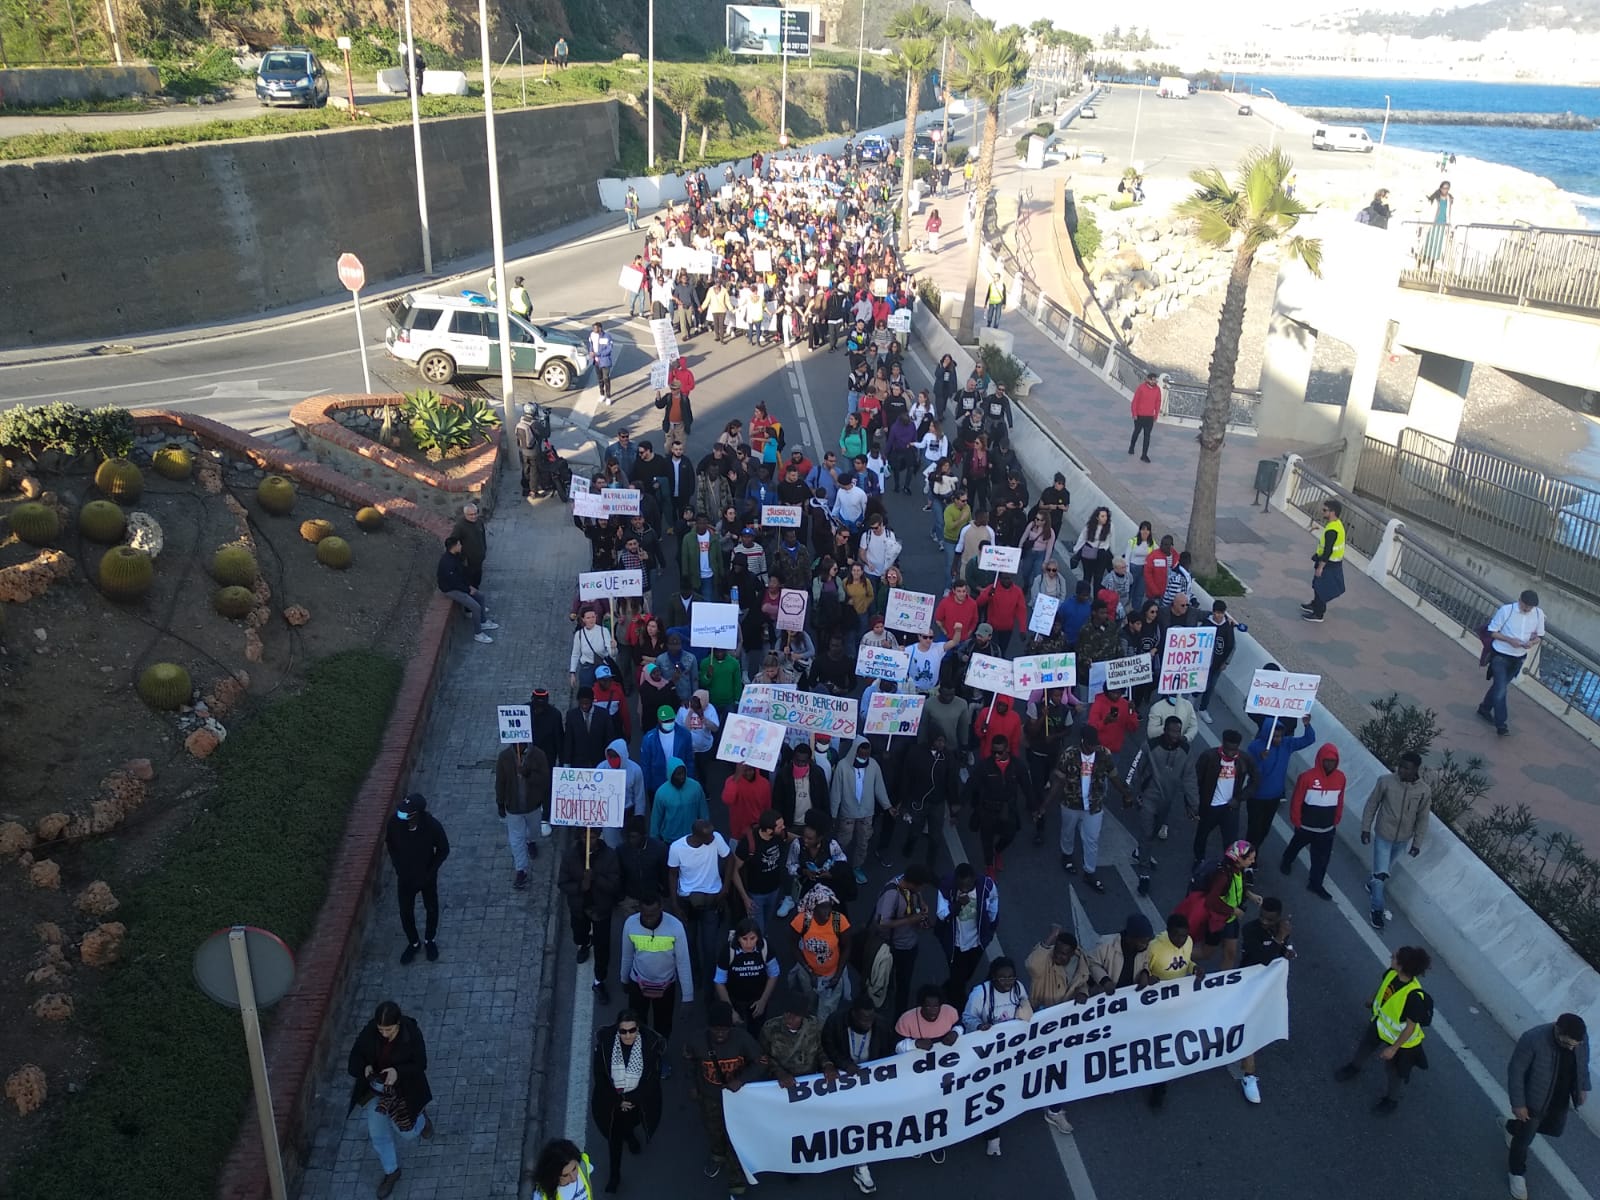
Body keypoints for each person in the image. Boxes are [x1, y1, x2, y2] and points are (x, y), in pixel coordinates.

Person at [348, 999, 434, 1197]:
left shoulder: (410, 1033)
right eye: (381, 1029)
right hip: (376, 1091)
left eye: (389, 1030)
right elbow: (354, 1057)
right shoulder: (370, 1032)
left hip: (403, 1090)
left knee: (408, 1132)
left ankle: (421, 1119)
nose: (384, 1034)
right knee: (377, 1132)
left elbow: (420, 1063)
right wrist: (364, 1067)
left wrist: (398, 1071)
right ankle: (391, 1170)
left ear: (398, 1024)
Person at [1335, 945, 1434, 1114]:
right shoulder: (1391, 973)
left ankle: (1391, 1101)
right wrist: (1373, 999)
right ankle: (1354, 1067)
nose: (1391, 957)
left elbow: (1410, 1028)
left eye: (1394, 957)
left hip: (1402, 1042)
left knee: (1394, 1072)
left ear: (1402, 966)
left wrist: (1393, 1049)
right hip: (1380, 1026)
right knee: (1365, 1046)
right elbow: (1383, 988)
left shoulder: (1414, 998)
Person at [1506, 1014, 1590, 1200]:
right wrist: (1518, 1104)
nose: (1571, 1048)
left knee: (1555, 1130)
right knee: (1524, 1139)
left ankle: (1512, 1127)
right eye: (1567, 1044)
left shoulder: (1580, 1040)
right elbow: (1516, 1071)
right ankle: (1516, 1173)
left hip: (1559, 1099)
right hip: (1534, 1100)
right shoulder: (1533, 1039)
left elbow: (1583, 1063)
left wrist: (1583, 1086)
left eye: (1574, 1045)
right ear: (1557, 1030)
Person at [1025, 925, 1094, 1132]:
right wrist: (1050, 938)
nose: (1059, 957)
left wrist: (1084, 992)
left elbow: (1083, 982)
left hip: (1065, 1027)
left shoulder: (1080, 963)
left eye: (1065, 954)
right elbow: (1031, 964)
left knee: (1061, 1068)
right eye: (1057, 951)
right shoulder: (1044, 963)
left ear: (1073, 954)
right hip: (1040, 1022)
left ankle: (1054, 1110)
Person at [961, 957, 1033, 1154]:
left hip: (1009, 1052)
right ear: (993, 978)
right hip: (984, 1053)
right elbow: (967, 1017)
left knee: (1000, 1090)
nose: (1008, 982)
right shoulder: (980, 993)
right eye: (1002, 978)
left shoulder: (1018, 988)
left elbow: (1024, 1007)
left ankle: (992, 1130)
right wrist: (979, 1026)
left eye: (1011, 977)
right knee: (987, 1091)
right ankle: (992, 1136)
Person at [1047, 726, 1130, 893]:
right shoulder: (1069, 754)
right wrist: (1045, 805)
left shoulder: (1104, 754)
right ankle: (1067, 855)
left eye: (1095, 744)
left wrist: (1126, 793)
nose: (1093, 747)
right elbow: (1059, 781)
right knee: (1068, 832)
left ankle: (1089, 871)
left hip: (1094, 805)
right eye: (1090, 744)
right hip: (1071, 803)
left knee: (1092, 839)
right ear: (1083, 741)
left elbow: (1113, 776)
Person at [590, 1014, 664, 1193]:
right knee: (614, 1140)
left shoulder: (648, 1048)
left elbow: (652, 1079)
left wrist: (633, 1099)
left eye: (632, 1030)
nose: (628, 1035)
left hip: (637, 1103)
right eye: (623, 1031)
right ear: (618, 1030)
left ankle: (630, 1136)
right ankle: (615, 1175)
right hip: (612, 1105)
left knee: (631, 1123)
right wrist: (618, 1101)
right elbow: (600, 1077)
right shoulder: (606, 1048)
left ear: (637, 1029)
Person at [1360, 750, 1431, 930]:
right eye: (1401, 766)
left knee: (1384, 870)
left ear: (1415, 769)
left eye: (1407, 768)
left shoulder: (1423, 791)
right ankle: (1377, 910)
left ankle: (1372, 883)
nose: (1402, 771)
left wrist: (1416, 843)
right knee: (1381, 874)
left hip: (1403, 840)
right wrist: (1366, 828)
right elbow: (1372, 804)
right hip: (1384, 835)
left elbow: (1423, 818)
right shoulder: (1385, 781)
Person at [620, 895, 693, 1065]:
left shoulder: (675, 927)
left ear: (661, 909)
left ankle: (660, 1056)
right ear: (639, 909)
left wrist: (688, 997)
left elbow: (683, 962)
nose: (648, 919)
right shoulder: (630, 924)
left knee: (663, 1026)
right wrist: (624, 979)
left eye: (652, 914)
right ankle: (640, 1055)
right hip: (637, 984)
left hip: (666, 987)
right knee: (637, 1023)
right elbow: (627, 956)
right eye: (645, 915)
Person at [1236, 896, 1296, 1104]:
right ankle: (1249, 1075)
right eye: (1262, 917)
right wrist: (1280, 938)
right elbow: (1262, 957)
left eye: (1270, 920)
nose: (1264, 922)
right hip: (1247, 984)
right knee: (1248, 1026)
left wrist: (1287, 950)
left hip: (1267, 988)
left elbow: (1281, 950)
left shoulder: (1281, 930)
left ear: (1278, 917)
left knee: (1249, 1025)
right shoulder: (1251, 930)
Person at [668, 817, 733, 986]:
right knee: (690, 944)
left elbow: (730, 859)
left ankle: (710, 984)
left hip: (711, 902)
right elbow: (673, 875)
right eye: (708, 836)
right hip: (687, 903)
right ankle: (694, 976)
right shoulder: (676, 848)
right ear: (697, 836)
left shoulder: (716, 839)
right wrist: (675, 905)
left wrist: (725, 888)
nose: (713, 838)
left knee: (710, 947)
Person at [386, 793, 449, 965]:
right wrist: (397, 865)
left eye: (405, 814)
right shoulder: (394, 824)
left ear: (417, 814)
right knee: (405, 912)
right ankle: (413, 943)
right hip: (405, 879)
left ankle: (430, 940)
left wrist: (430, 872)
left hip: (426, 878)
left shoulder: (432, 826)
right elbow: (390, 844)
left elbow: (444, 849)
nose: (401, 817)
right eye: (400, 813)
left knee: (431, 908)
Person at [560, 827, 622, 1005]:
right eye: (586, 836)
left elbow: (614, 885)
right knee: (579, 934)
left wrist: (595, 878)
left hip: (601, 909)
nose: (590, 840)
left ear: (599, 836)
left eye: (593, 836)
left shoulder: (609, 855)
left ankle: (599, 980)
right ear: (580, 837)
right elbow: (563, 883)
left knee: (603, 947)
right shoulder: (570, 855)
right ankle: (585, 943)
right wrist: (581, 886)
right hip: (579, 908)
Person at [1280, 742, 1347, 900]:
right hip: (1305, 826)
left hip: (1326, 829)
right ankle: (1286, 861)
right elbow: (1297, 799)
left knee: (1322, 860)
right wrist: (1296, 819)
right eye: (1327, 760)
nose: (1329, 764)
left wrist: (1337, 817)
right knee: (1295, 845)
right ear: (1320, 759)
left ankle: (1316, 884)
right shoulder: (1307, 777)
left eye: (1333, 761)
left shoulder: (1341, 777)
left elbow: (1340, 799)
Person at [1244, 714, 1318, 854]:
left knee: (1265, 829)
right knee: (1254, 830)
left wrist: (1307, 725)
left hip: (1274, 797)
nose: (1278, 739)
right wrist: (1260, 760)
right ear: (1267, 735)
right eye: (1275, 736)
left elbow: (1309, 739)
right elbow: (1250, 770)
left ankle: (1252, 854)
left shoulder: (1287, 744)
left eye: (1279, 736)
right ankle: (1248, 859)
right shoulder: (1255, 747)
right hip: (1256, 797)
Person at [867, 864, 934, 1016]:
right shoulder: (891, 895)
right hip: (894, 947)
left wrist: (921, 903)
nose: (921, 891)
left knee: (904, 981)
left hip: (909, 943)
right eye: (921, 887)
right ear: (914, 883)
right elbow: (882, 923)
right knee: (890, 979)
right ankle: (892, 1011)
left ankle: (899, 1010)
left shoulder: (905, 882)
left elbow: (916, 897)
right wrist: (911, 919)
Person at [1478, 588, 1545, 736]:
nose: (1527, 609)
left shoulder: (1538, 614)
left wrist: (1532, 643)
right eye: (1525, 605)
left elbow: (1540, 635)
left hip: (1519, 658)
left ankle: (1484, 708)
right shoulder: (1506, 610)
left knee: (1499, 686)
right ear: (1520, 600)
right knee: (1501, 689)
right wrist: (1509, 640)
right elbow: (1492, 631)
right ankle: (1501, 724)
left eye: (1530, 607)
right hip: (1500, 655)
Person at [935, 863, 998, 1007]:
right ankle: (958, 1005)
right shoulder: (946, 887)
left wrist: (991, 928)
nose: (964, 889)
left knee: (967, 974)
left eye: (968, 886)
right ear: (955, 880)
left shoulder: (986, 885)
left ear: (974, 879)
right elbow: (941, 914)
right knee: (957, 977)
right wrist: (957, 904)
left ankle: (947, 988)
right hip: (956, 944)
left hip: (977, 943)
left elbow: (994, 902)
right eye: (960, 885)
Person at [1192, 729, 1258, 866]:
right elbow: (1195, 780)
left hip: (1230, 808)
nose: (1230, 753)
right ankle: (1199, 860)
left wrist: (1239, 798)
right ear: (1223, 744)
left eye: (1234, 750)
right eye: (1227, 749)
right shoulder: (1208, 756)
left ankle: (1228, 867)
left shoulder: (1244, 759)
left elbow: (1256, 780)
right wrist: (1193, 803)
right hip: (1210, 807)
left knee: (1231, 842)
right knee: (1202, 835)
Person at [829, 737, 890, 884]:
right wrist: (833, 814)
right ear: (855, 750)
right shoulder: (843, 766)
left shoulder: (873, 765)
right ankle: (839, 865)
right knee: (844, 840)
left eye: (867, 751)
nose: (864, 754)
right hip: (848, 812)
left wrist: (888, 806)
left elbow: (879, 787)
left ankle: (857, 867)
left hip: (867, 812)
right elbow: (836, 791)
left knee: (863, 842)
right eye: (862, 751)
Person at [790, 883, 854, 1020]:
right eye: (823, 907)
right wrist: (809, 971)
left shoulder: (839, 921)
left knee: (826, 1014)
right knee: (807, 1004)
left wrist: (837, 976)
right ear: (814, 907)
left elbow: (847, 947)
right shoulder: (802, 920)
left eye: (829, 906)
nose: (827, 911)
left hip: (831, 975)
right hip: (808, 973)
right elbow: (793, 945)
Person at [495, 739, 549, 889]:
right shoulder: (504, 757)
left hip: (533, 805)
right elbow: (500, 781)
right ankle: (521, 870)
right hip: (513, 807)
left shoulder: (538, 755)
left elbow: (545, 779)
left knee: (534, 831)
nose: (518, 746)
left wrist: (527, 774)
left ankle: (531, 841)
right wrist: (500, 802)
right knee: (516, 839)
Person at [714, 917, 781, 1033]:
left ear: (758, 937)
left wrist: (763, 1001)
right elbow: (719, 981)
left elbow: (774, 974)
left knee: (757, 1033)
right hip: (735, 1001)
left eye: (752, 938)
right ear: (738, 938)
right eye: (744, 939)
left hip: (757, 1000)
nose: (749, 943)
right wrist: (730, 1011)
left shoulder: (765, 948)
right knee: (734, 1034)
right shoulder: (728, 951)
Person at [760, 994, 836, 1090]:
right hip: (780, 1082)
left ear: (803, 1016)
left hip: (810, 1079)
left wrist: (827, 1065)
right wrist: (778, 1072)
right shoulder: (770, 1028)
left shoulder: (813, 1025)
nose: (789, 1018)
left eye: (795, 1016)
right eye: (787, 1013)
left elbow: (820, 1049)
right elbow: (762, 1056)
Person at [438, 534, 498, 643]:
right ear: (454, 546)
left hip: (460, 586)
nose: (461, 546)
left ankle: (483, 622)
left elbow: (461, 575)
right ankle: (478, 634)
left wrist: (469, 586)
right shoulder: (448, 563)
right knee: (476, 607)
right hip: (451, 589)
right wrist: (468, 589)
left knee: (481, 596)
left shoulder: (454, 556)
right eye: (459, 544)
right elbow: (454, 582)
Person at [1301, 499, 1346, 623]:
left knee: (1321, 587)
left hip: (1329, 563)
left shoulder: (1332, 530)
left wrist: (1320, 567)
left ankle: (1318, 614)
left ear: (1333, 512)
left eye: (1325, 510)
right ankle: (1314, 605)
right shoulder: (1337, 524)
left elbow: (1328, 551)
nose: (1322, 512)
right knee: (1317, 585)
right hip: (1331, 562)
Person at [1086, 913, 1154, 994]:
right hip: (1106, 994)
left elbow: (1145, 962)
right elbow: (1092, 963)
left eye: (1148, 941)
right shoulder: (1106, 944)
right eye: (1142, 942)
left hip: (1130, 993)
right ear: (1131, 938)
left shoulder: (1143, 948)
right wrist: (1105, 981)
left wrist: (1145, 973)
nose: (1146, 945)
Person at [1129, 371, 1161, 461]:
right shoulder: (1141, 388)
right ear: (1148, 379)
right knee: (1136, 432)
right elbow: (1135, 401)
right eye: (1152, 380)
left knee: (1147, 436)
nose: (1154, 382)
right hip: (1139, 416)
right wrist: (1134, 413)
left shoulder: (1157, 390)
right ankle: (1132, 447)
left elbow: (1158, 402)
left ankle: (1144, 455)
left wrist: (1156, 415)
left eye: (1155, 380)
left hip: (1149, 417)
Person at [588, 322, 615, 404]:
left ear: (600, 328)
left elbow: (609, 349)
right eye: (593, 328)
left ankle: (608, 397)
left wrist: (597, 354)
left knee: (606, 378)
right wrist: (591, 352)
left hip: (604, 361)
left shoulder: (607, 337)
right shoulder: (591, 335)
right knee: (600, 379)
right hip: (596, 361)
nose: (594, 330)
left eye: (595, 328)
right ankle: (602, 394)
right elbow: (590, 345)